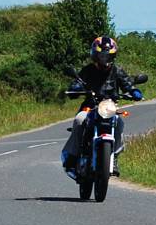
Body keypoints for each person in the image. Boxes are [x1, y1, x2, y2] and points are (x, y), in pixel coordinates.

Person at [61, 35, 143, 172]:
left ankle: (114, 157)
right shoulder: (88, 70)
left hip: (109, 107)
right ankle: (74, 155)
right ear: (95, 56)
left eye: (108, 56)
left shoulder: (117, 71)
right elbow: (78, 81)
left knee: (119, 123)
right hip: (90, 106)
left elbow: (127, 84)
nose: (104, 59)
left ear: (113, 56)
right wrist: (75, 87)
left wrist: (134, 91)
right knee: (79, 120)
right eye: (101, 56)